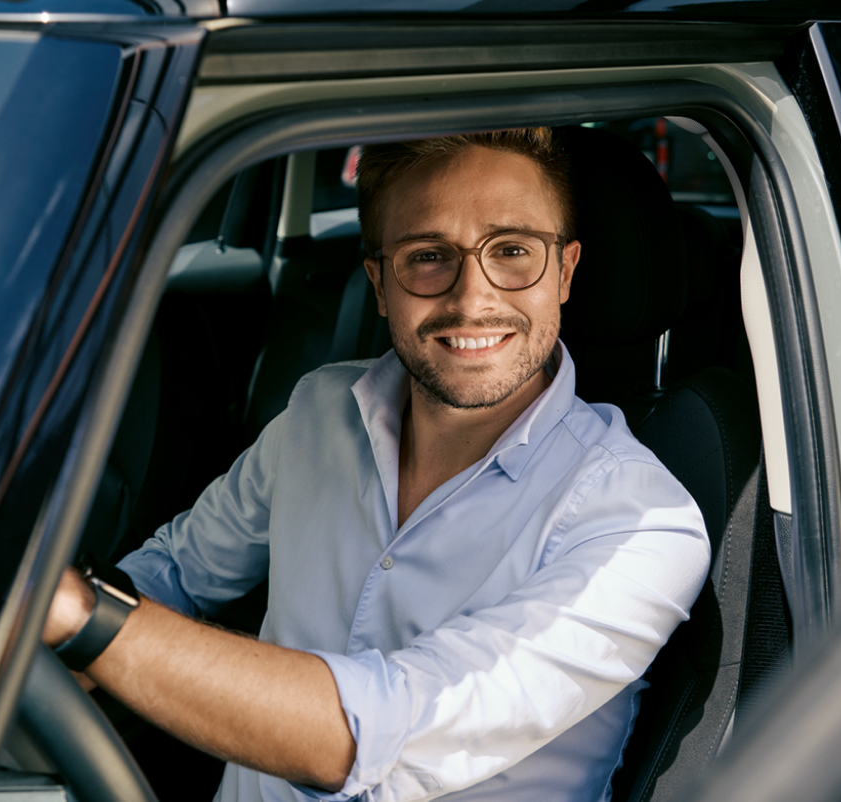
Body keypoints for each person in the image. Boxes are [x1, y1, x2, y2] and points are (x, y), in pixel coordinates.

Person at [42, 128, 711, 802]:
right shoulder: (318, 411)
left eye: (513, 252)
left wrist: (79, 618)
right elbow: (180, 570)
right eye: (428, 256)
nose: (472, 298)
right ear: (380, 283)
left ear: (565, 272)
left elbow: (374, 733)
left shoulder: (636, 523)